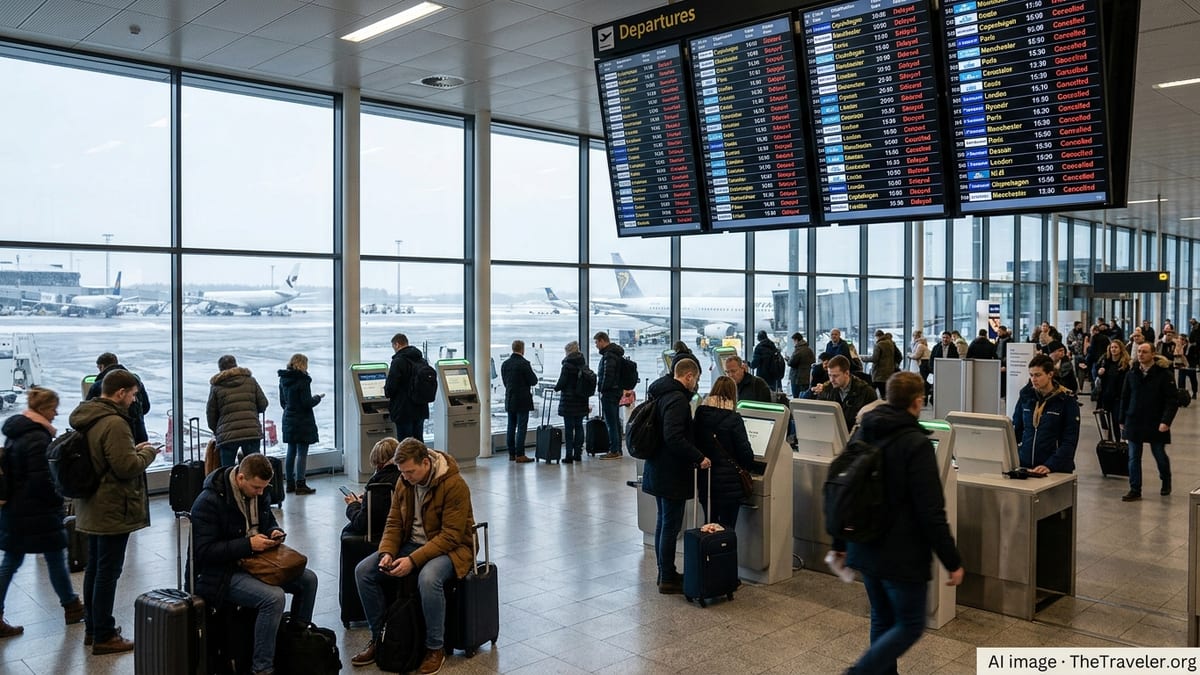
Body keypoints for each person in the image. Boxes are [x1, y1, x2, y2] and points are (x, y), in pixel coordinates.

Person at [829, 372, 963, 675]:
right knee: (911, 624)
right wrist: (952, 561)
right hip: (900, 554)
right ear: (918, 402)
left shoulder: (864, 431)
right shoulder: (916, 444)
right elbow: (931, 511)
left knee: (881, 617)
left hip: (863, 545)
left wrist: (840, 544)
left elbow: (843, 489)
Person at [351, 438, 476, 674]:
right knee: (364, 572)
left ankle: (434, 648)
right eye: (402, 472)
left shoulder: (454, 484)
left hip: (453, 548)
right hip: (412, 543)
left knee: (428, 579)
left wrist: (413, 560)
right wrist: (387, 551)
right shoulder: (403, 482)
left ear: (426, 463)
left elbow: (450, 536)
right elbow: (394, 522)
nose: (406, 477)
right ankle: (381, 638)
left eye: (410, 471)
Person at [191, 453, 319, 675]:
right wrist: (248, 544)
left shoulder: (259, 491)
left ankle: (295, 640)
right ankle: (262, 668)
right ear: (240, 478)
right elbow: (204, 552)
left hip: (255, 560)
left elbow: (266, 519)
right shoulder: (208, 502)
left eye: (264, 488)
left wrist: (273, 530)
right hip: (220, 572)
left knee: (308, 580)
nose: (261, 493)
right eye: (256, 488)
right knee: (273, 598)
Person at [70, 369, 160, 655]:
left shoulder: (89, 415)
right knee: (107, 572)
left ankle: (93, 629)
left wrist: (133, 450)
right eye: (133, 394)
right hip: (111, 508)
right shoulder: (115, 422)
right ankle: (105, 635)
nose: (135, 400)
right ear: (120, 393)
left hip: (92, 506)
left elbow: (109, 457)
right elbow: (126, 467)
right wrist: (147, 453)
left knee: (95, 569)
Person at [0, 387, 85, 638]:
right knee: (54, 558)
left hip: (16, 510)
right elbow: (41, 479)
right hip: (35, 511)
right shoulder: (37, 437)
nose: (56, 413)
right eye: (52, 408)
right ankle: (71, 606)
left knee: (14, 561)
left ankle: (71, 604)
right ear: (42, 409)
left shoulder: (17, 431)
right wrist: (57, 500)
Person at [641, 359, 709, 595]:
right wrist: (699, 457)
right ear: (688, 376)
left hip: (657, 468)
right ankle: (668, 577)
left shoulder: (661, 392)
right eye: (697, 379)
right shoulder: (678, 400)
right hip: (671, 472)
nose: (696, 384)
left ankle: (664, 572)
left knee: (664, 522)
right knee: (670, 525)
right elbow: (674, 437)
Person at [692, 376, 755, 533]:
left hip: (706, 480)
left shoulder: (700, 414)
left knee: (709, 526)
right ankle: (724, 556)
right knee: (727, 529)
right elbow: (745, 453)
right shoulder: (734, 419)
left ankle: (708, 556)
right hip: (729, 485)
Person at [1118, 343, 1180, 501]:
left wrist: (1166, 421)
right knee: (1133, 457)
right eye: (1138, 351)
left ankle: (1166, 480)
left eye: (1144, 352)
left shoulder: (1164, 375)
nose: (1140, 354)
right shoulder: (1132, 373)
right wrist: (1121, 419)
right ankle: (1135, 489)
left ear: (1153, 354)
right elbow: (1125, 397)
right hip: (1134, 419)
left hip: (1156, 421)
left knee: (1159, 454)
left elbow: (1172, 400)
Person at [1012, 354, 1080, 475]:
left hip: (1055, 469)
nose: (1033, 379)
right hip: (1026, 466)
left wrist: (1050, 465)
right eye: (1031, 375)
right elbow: (1016, 429)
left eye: (1038, 375)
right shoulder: (1026, 396)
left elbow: (1070, 440)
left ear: (1050, 374)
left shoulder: (1066, 400)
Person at [207, 354, 269, 467]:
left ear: (220, 368)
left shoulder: (216, 387)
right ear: (236, 365)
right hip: (251, 431)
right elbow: (263, 404)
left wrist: (217, 430)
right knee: (255, 468)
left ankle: (230, 484)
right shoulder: (250, 381)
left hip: (227, 435)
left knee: (227, 471)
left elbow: (211, 414)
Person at [278, 353, 324, 495]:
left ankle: (289, 484)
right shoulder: (303, 380)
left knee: (291, 451)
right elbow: (306, 403)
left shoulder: (283, 379)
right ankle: (301, 484)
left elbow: (282, 402)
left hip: (288, 418)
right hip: (302, 420)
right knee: (302, 453)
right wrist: (317, 398)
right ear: (303, 364)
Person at [87, 352, 151, 444]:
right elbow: (146, 407)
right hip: (139, 435)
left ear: (101, 366)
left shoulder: (97, 386)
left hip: (111, 438)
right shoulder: (135, 381)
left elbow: (90, 413)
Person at [802, 355, 878, 431]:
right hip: (832, 433)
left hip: (854, 436)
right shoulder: (827, 388)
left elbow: (872, 425)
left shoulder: (866, 392)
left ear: (847, 373)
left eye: (835, 376)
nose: (832, 380)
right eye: (829, 375)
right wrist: (812, 391)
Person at [344, 437, 401, 538]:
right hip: (401, 530)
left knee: (347, 532)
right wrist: (367, 501)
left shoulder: (377, 485)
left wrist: (353, 505)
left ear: (378, 464)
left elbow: (361, 523)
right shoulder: (404, 476)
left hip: (379, 533)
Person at [384, 333, 429, 442]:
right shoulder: (421, 360)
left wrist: (386, 391)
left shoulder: (398, 361)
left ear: (397, 344)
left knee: (405, 445)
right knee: (418, 442)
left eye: (393, 347)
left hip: (403, 410)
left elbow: (391, 387)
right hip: (420, 408)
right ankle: (420, 459)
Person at [500, 340, 537, 464]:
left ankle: (511, 453)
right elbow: (533, 381)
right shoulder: (524, 364)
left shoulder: (505, 364)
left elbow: (505, 382)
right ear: (522, 349)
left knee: (511, 426)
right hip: (523, 400)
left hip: (510, 398)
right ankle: (520, 454)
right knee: (521, 427)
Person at [553, 341, 590, 464]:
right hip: (581, 400)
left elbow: (562, 382)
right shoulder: (583, 364)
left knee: (569, 429)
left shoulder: (567, 366)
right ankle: (578, 454)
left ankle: (569, 455)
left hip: (569, 402)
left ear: (568, 352)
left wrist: (556, 388)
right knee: (579, 427)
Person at [594, 332, 627, 460]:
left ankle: (614, 450)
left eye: (597, 342)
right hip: (617, 391)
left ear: (602, 341)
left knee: (611, 422)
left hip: (610, 392)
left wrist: (602, 388)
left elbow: (608, 374)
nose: (596, 345)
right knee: (615, 421)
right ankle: (617, 448)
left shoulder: (609, 356)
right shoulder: (616, 353)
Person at [1096, 340, 1131, 426]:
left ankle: (1118, 439)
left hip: (1118, 397)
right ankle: (1108, 438)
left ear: (1120, 349)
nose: (1113, 349)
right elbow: (1100, 381)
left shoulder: (1125, 364)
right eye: (1112, 347)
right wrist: (1100, 374)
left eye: (1116, 347)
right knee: (1105, 422)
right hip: (1106, 395)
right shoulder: (1105, 362)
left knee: (1116, 420)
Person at [863, 330, 898, 400]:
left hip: (879, 372)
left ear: (877, 336)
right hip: (888, 371)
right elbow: (897, 355)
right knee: (884, 392)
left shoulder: (878, 345)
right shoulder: (890, 343)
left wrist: (864, 359)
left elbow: (874, 358)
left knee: (871, 390)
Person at [788, 332, 815, 398]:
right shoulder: (809, 350)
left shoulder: (798, 350)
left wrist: (788, 360)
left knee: (796, 397)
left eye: (794, 341)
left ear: (796, 340)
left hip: (797, 378)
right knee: (804, 397)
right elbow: (813, 361)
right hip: (807, 378)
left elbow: (792, 363)